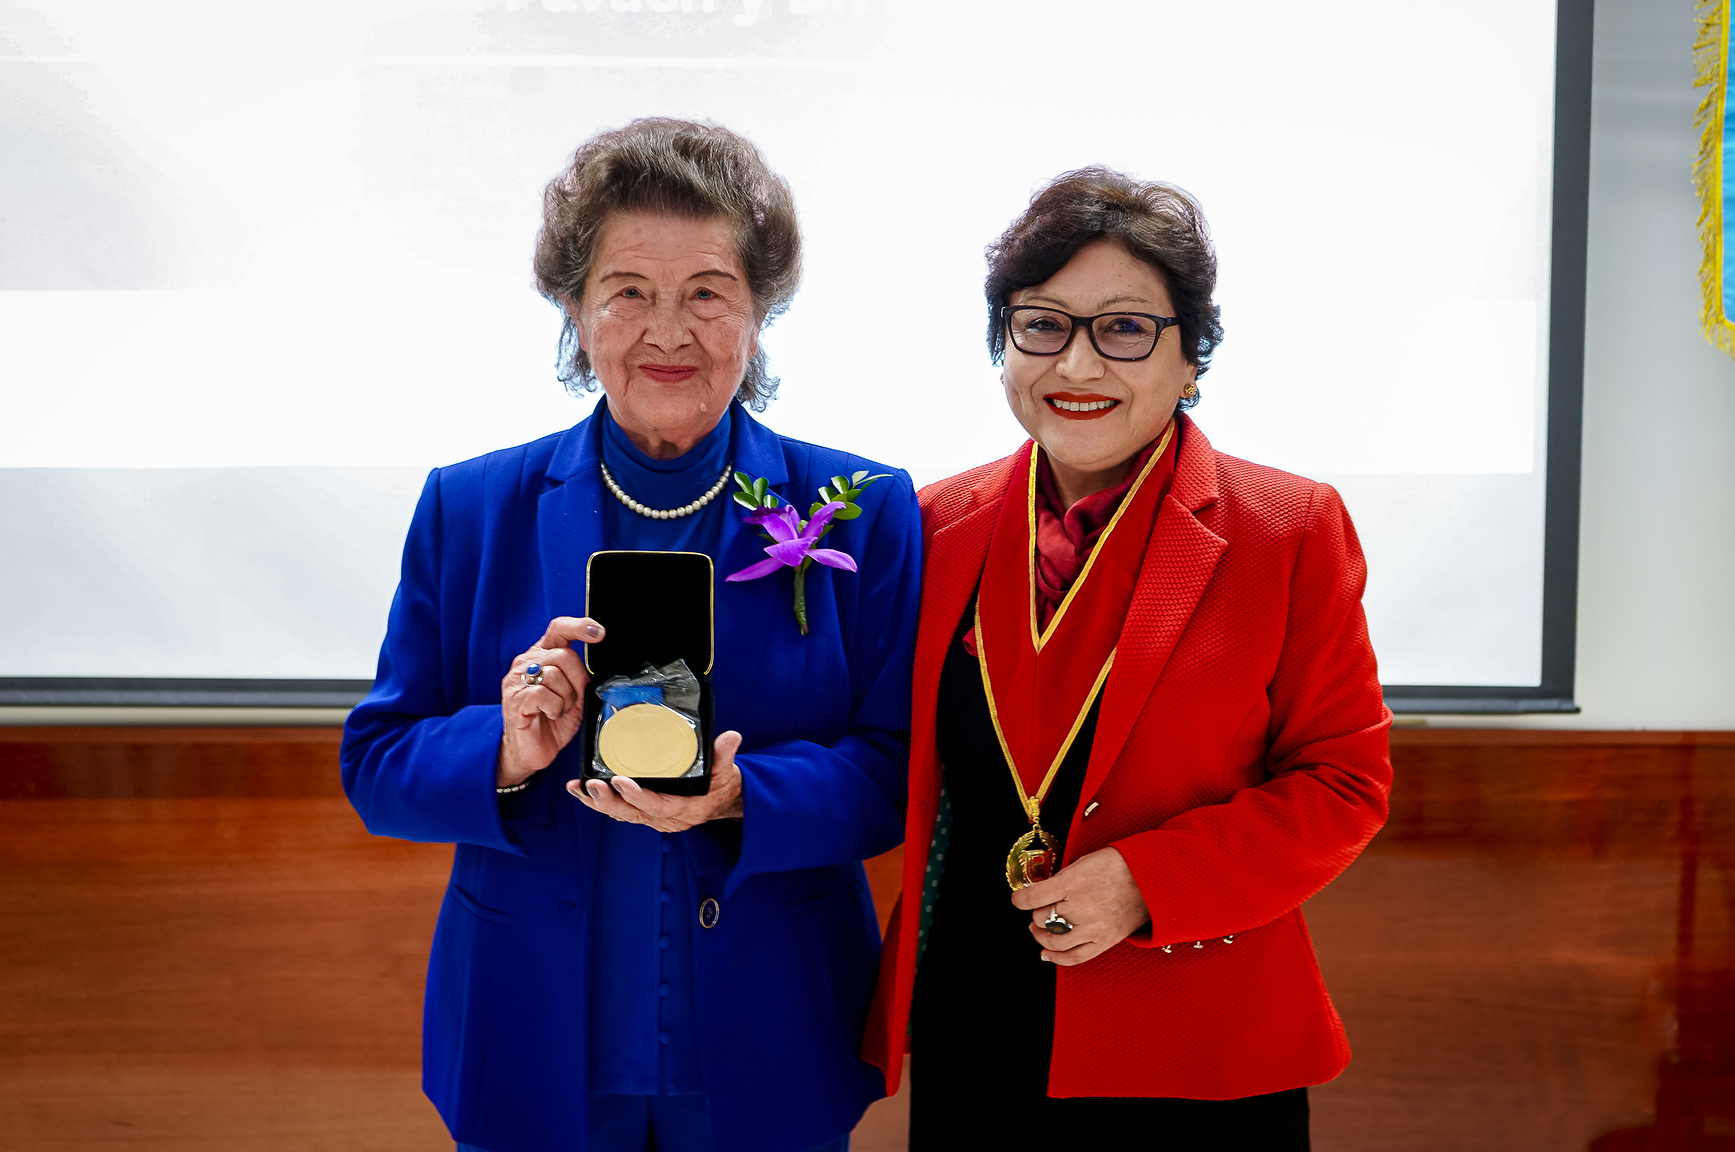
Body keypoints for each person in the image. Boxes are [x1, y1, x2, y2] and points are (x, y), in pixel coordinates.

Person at [341, 119, 918, 1152]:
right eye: (628, 292)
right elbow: (376, 765)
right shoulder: (471, 507)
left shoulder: (863, 508)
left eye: (706, 291)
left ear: (759, 309)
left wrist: (748, 796)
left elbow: (896, 773)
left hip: (775, 1029)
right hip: (528, 1031)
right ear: (574, 308)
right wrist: (504, 750)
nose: (668, 330)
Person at [861, 167, 1394, 1147]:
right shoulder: (934, 523)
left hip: (1195, 1041)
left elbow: (1343, 785)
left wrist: (1151, 882)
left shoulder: (1288, 529)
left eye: (1123, 329)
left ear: (1191, 357)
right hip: (974, 1028)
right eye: (1042, 324)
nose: (1078, 364)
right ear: (1003, 345)